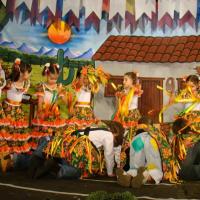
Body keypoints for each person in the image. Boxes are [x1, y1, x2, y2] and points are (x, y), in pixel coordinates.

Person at [44, 121, 124, 178]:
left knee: (70, 162)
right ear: (116, 132)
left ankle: (55, 162)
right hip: (79, 147)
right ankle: (57, 168)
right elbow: (109, 154)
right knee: (80, 172)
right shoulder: (109, 135)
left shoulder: (99, 127)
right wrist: (110, 172)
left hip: (70, 142)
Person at [116, 117, 163, 188]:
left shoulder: (132, 133)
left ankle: (128, 175)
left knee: (135, 164)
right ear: (151, 125)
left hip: (137, 141)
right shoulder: (155, 133)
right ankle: (145, 176)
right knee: (154, 163)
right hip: (150, 141)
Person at [31, 63, 66, 149]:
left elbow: (63, 100)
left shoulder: (58, 87)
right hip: (43, 113)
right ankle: (41, 150)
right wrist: (40, 112)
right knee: (43, 133)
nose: (54, 81)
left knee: (54, 133)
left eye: (56, 79)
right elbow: (40, 101)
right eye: (51, 78)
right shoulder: (42, 86)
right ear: (46, 74)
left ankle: (52, 149)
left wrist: (61, 93)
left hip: (54, 113)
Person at [0, 61, 32, 154]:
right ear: (21, 72)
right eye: (28, 72)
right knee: (7, 130)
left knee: (17, 132)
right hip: (8, 109)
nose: (29, 74)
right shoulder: (10, 82)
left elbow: (23, 94)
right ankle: (6, 153)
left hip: (18, 110)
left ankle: (14, 155)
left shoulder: (26, 83)